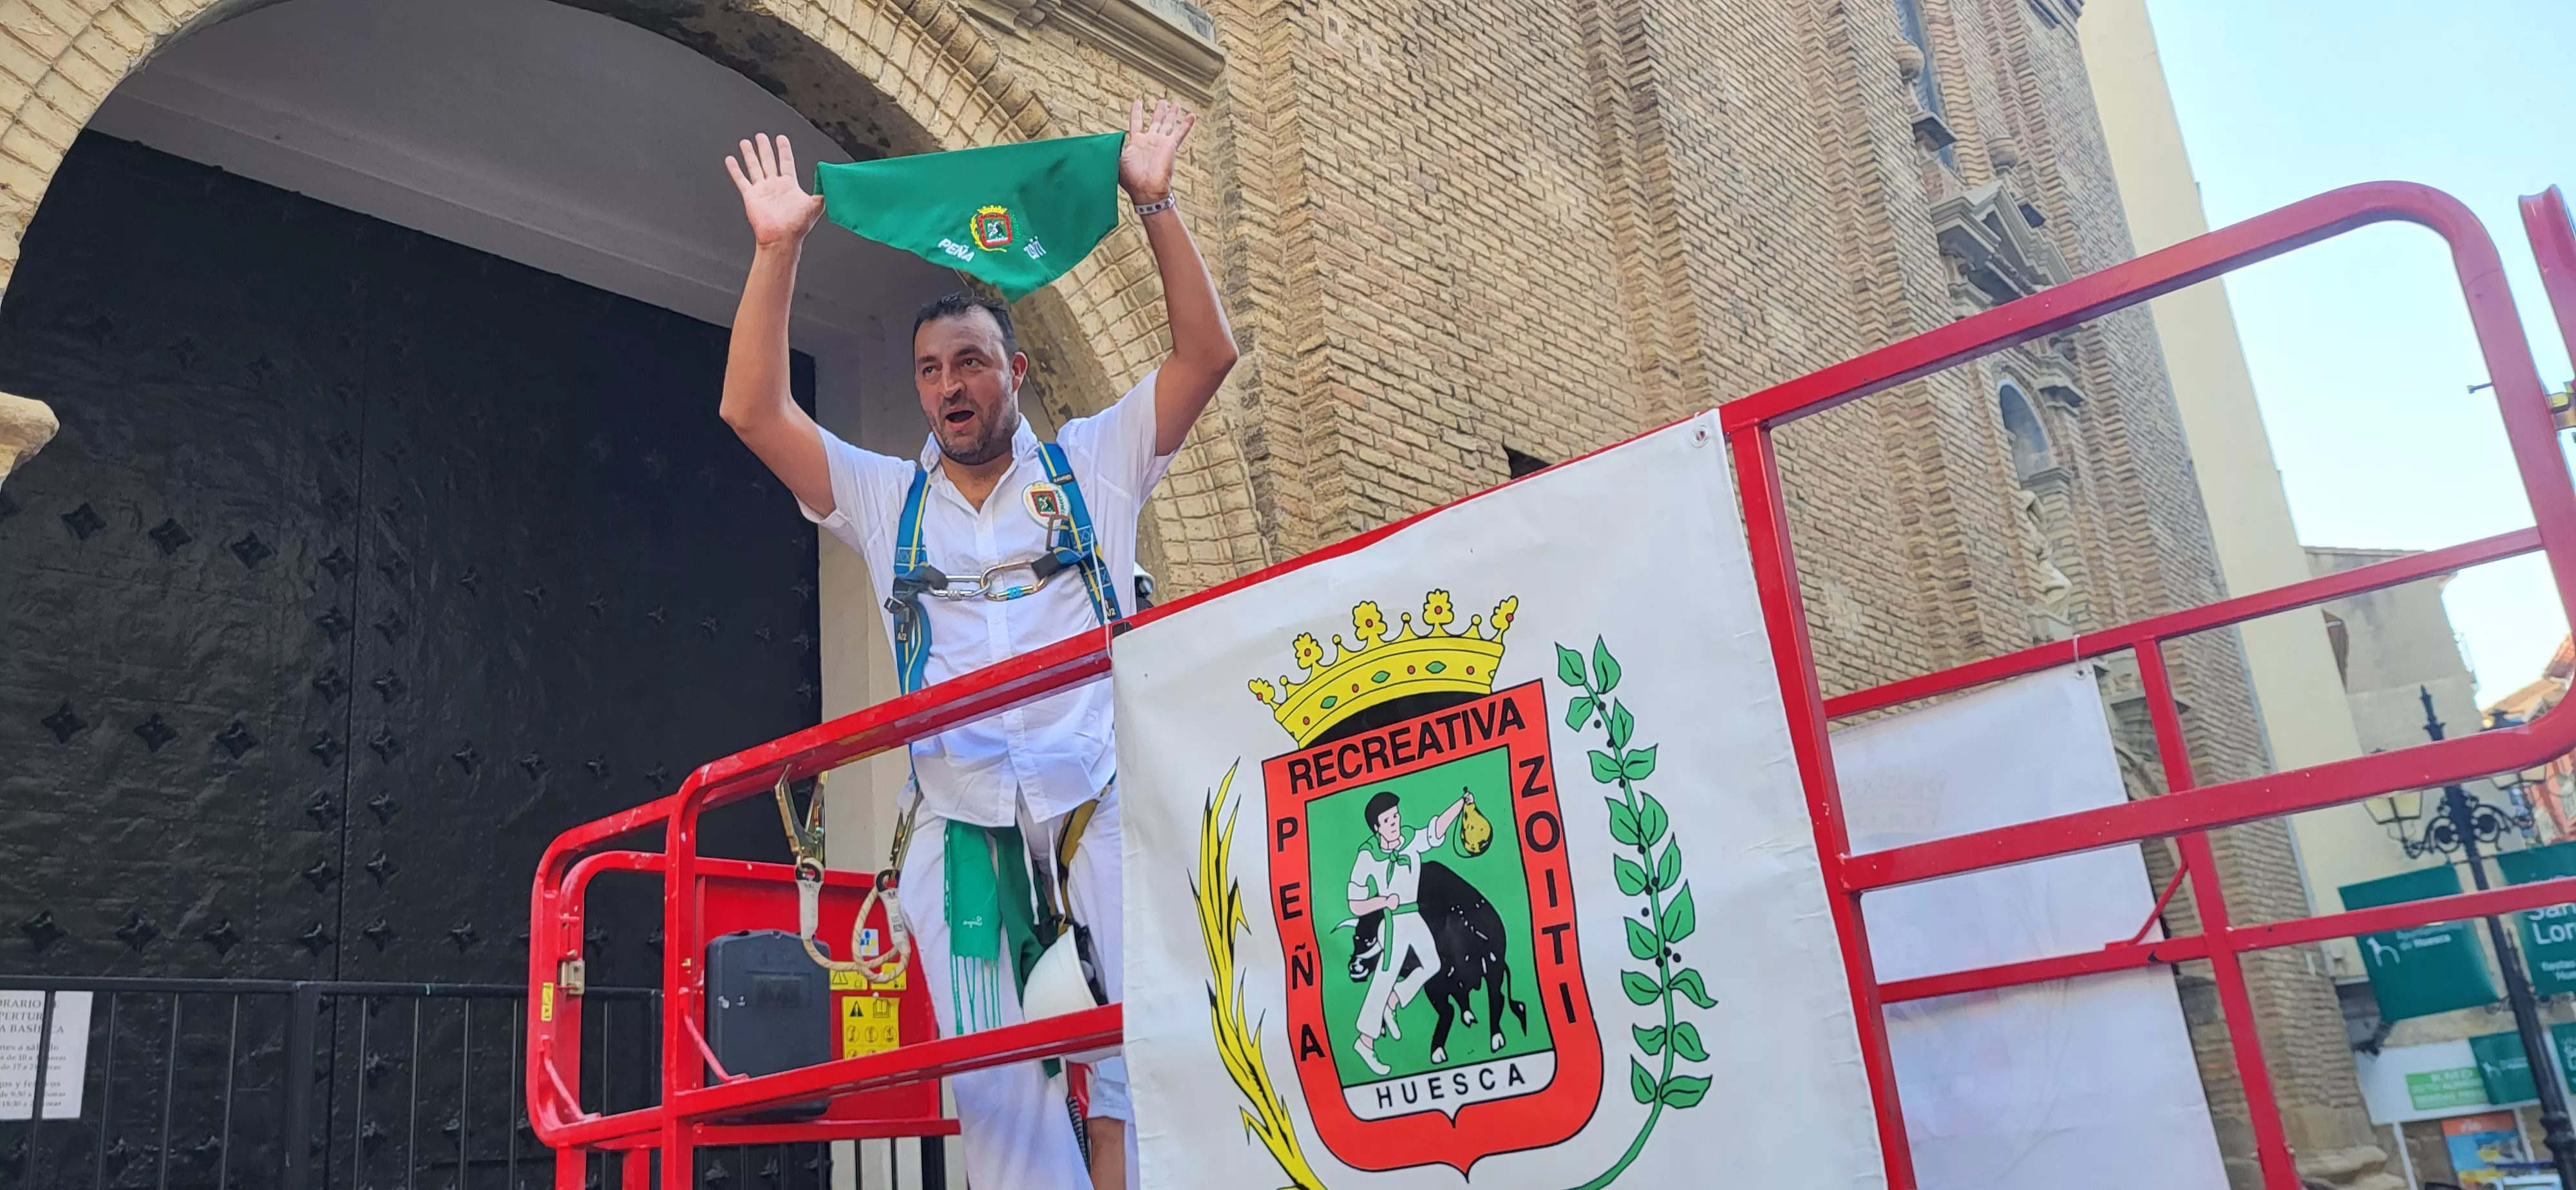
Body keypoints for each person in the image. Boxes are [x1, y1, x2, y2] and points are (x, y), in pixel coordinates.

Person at [715, 100, 1235, 1190]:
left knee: (1142, 1074)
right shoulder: (883, 496)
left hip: (1095, 813)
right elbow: (756, 412)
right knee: (997, 1096)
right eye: (930, 370)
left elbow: (1205, 354)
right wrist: (778, 251)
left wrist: (1156, 202)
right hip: (961, 836)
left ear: (1020, 370)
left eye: (972, 362)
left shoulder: (1094, 463)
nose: (951, 386)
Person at [1344, 788, 1475, 1075]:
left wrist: (1460, 803)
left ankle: (1393, 1001)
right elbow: (1354, 903)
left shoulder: (1409, 840)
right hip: (1393, 923)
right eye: (1388, 820)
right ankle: (1365, 1042)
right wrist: (1382, 901)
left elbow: (1436, 828)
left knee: (1433, 963)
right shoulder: (1368, 855)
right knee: (1383, 978)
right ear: (1377, 827)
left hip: (1413, 915)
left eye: (1396, 816)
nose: (1395, 822)